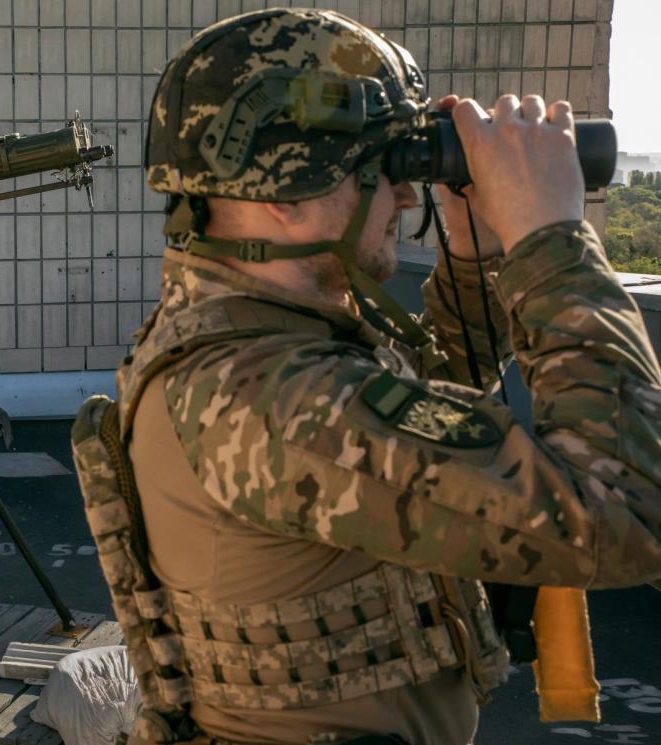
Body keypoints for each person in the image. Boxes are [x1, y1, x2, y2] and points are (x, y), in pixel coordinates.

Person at [73, 8, 661, 745]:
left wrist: (478, 255)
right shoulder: (267, 397)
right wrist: (552, 240)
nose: (408, 197)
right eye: (383, 170)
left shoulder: (268, 331)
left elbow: (436, 411)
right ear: (287, 197)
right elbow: (626, 508)